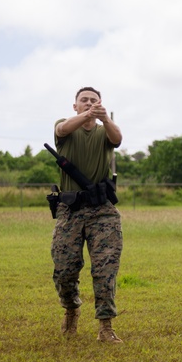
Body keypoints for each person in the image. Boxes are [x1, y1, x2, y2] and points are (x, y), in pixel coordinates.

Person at [52, 86, 124, 343]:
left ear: (102, 104)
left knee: (105, 268)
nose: (89, 103)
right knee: (64, 268)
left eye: (94, 100)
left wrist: (105, 119)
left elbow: (118, 138)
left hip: (102, 210)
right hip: (70, 209)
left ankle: (105, 326)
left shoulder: (105, 131)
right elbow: (62, 130)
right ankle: (71, 309)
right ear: (75, 105)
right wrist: (88, 115)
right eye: (84, 100)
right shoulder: (65, 126)